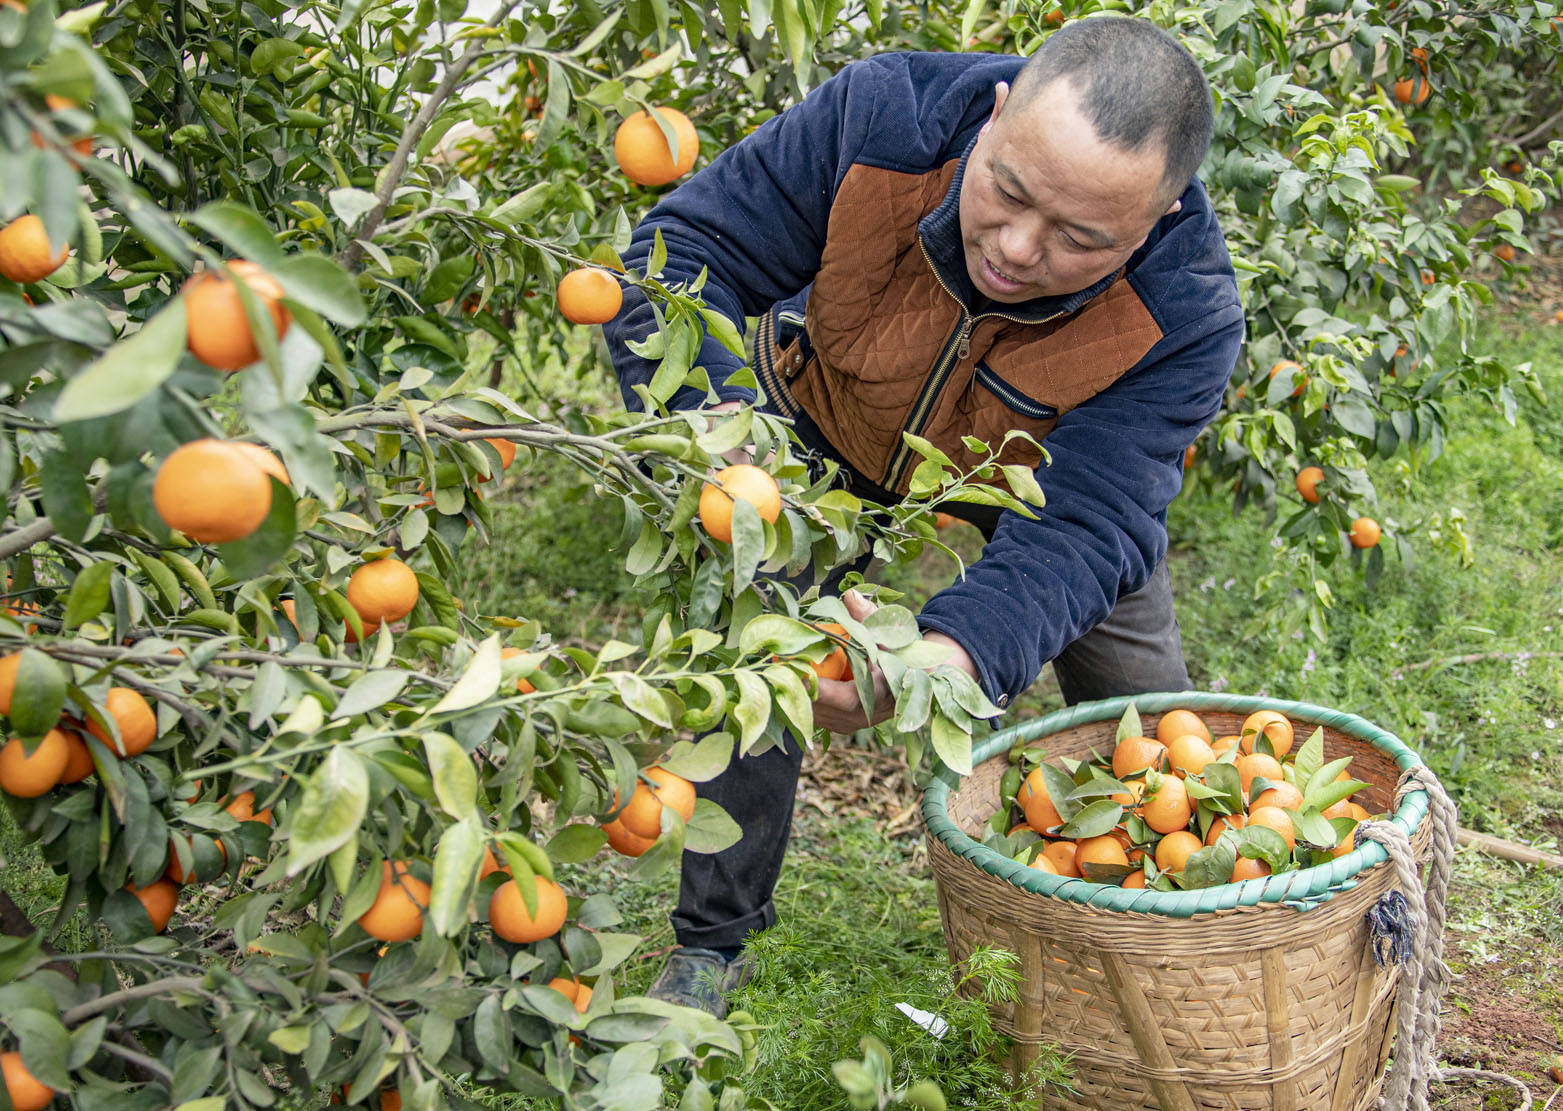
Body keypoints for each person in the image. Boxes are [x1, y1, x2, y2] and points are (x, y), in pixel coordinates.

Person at [602, 16, 1244, 1016]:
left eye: (1080, 239)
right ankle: (712, 944)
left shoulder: (1185, 311)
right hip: (817, 418)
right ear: (993, 118)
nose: (1019, 248)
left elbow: (1088, 523)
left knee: (1146, 707)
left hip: (1026, 469)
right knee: (757, 644)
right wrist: (726, 441)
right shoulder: (885, 119)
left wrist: (956, 655)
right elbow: (679, 257)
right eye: (1009, 193)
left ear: (1153, 224)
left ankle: (1175, 919)